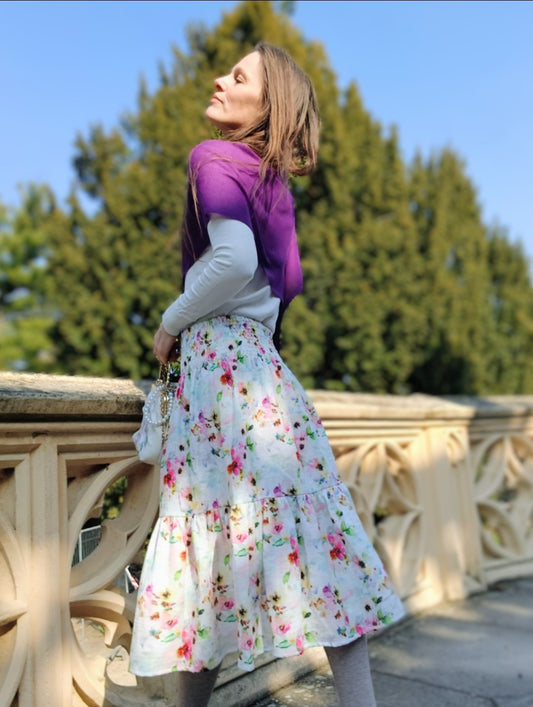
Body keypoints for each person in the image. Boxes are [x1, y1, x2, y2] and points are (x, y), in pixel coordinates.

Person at [129, 42, 404, 707]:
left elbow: (232, 261)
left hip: (219, 374)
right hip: (264, 377)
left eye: (238, 76)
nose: (219, 81)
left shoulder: (212, 157)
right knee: (320, 548)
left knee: (205, 554)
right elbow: (272, 288)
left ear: (267, 105)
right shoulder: (271, 185)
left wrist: (168, 324)